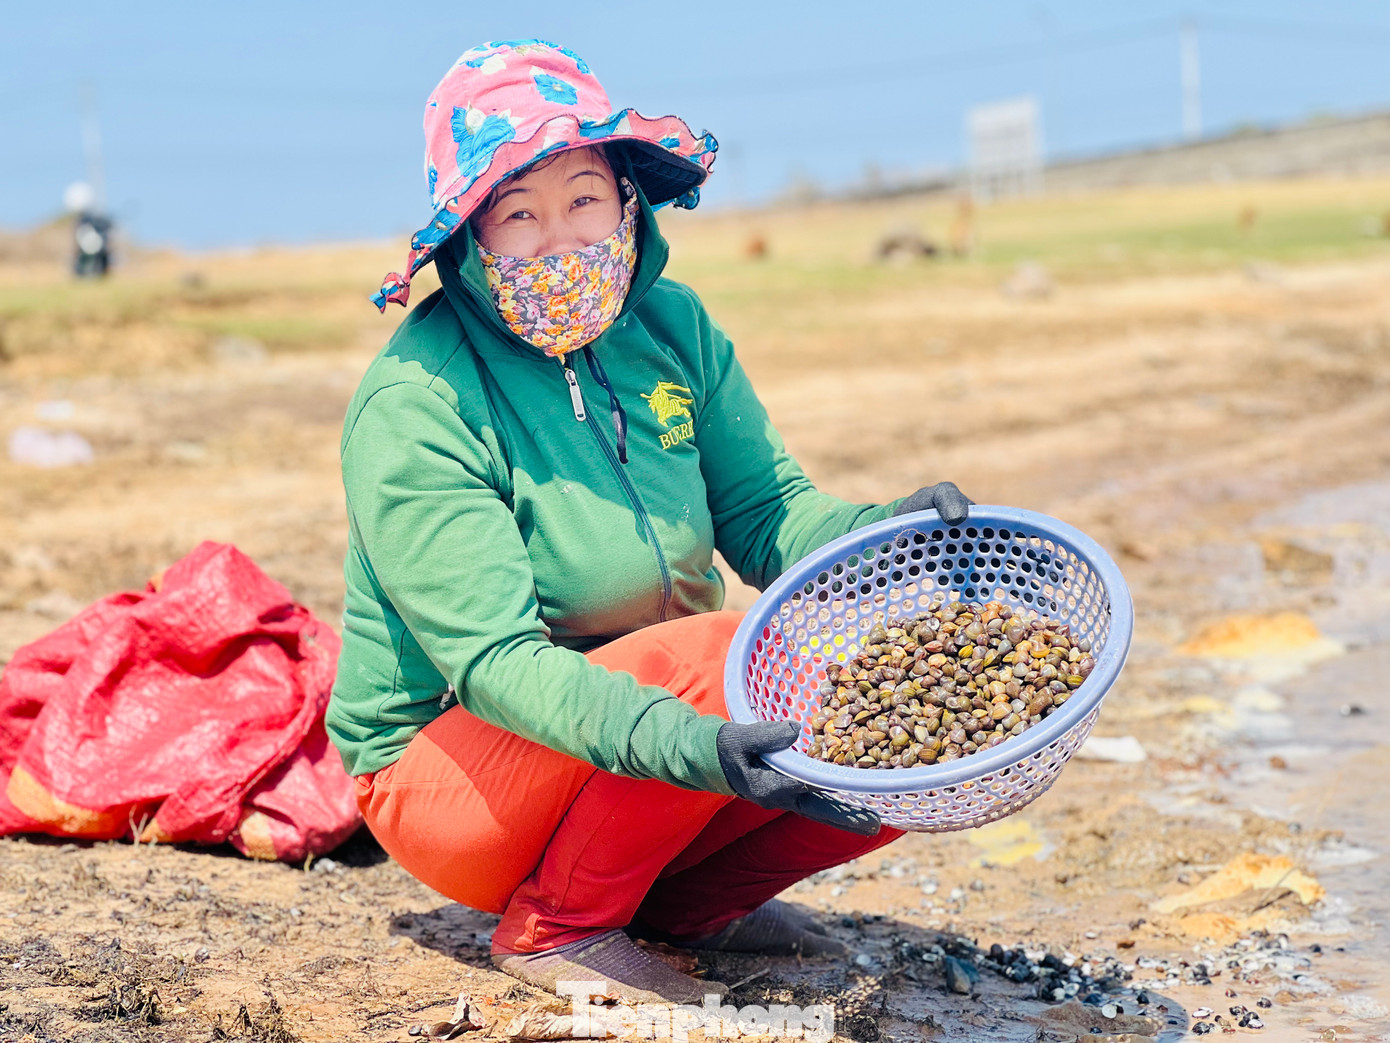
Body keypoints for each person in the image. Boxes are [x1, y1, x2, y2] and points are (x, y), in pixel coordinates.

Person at [327, 39, 972, 1004]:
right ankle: (560, 927)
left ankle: (681, 911)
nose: (560, 239)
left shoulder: (673, 330)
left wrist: (892, 540)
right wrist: (690, 739)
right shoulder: (418, 403)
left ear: (627, 198)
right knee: (729, 656)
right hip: (454, 767)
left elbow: (767, 514)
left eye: (583, 198)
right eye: (518, 214)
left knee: (894, 738)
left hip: (649, 731)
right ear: (468, 238)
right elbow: (496, 663)